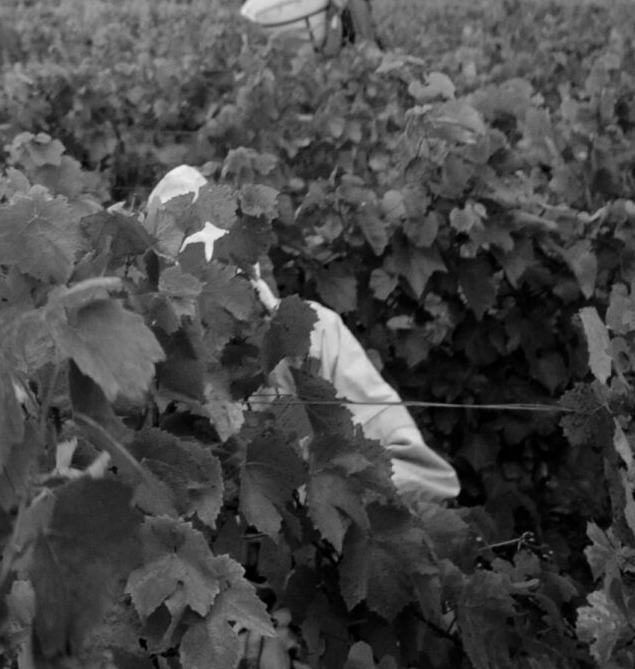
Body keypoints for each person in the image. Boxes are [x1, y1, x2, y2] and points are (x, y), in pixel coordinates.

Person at [144, 166, 457, 507]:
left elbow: (424, 475)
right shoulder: (143, 365)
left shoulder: (316, 336)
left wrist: (320, 496)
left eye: (223, 287)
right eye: (190, 300)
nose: (210, 319)